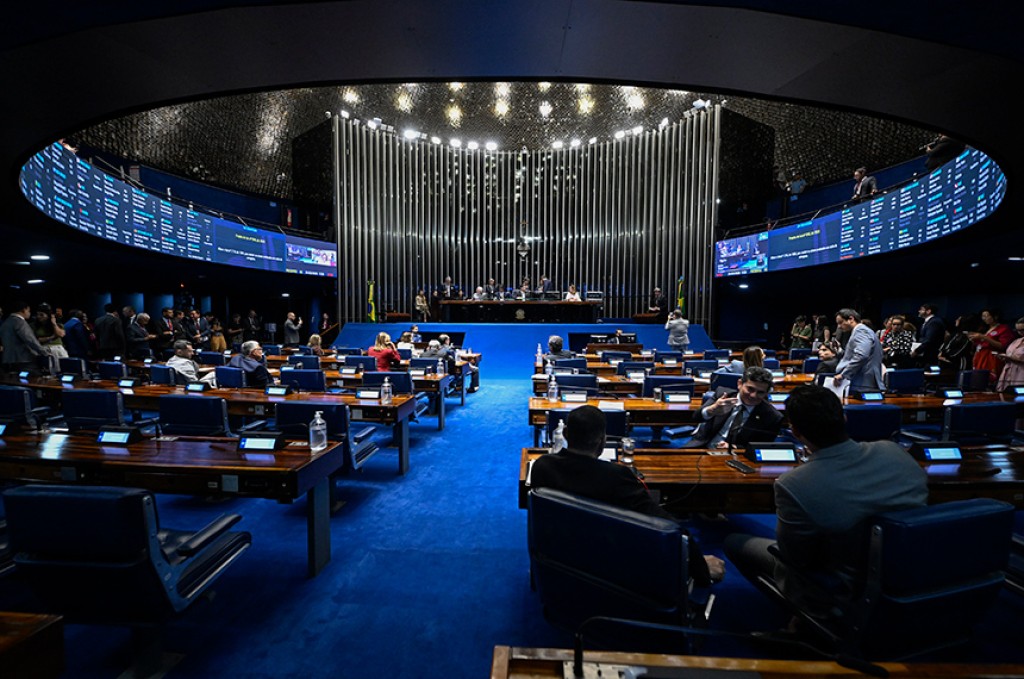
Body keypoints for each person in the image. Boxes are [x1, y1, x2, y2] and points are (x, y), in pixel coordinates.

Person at [724, 385, 927, 626]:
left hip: (843, 588)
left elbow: (794, 557)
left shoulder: (794, 484)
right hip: (911, 572)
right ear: (844, 418)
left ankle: (806, 619)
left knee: (734, 542)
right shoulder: (894, 452)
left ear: (795, 431)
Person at [530, 405, 724, 587]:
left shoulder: (542, 466)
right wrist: (699, 565)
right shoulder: (617, 476)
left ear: (565, 434)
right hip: (607, 559)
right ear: (602, 440)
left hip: (559, 554)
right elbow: (667, 525)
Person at [685, 366, 783, 449]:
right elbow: (696, 417)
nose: (753, 395)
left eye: (760, 392)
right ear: (740, 384)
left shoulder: (772, 417)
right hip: (703, 447)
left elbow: (761, 447)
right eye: (750, 389)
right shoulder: (722, 394)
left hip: (738, 456)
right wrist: (712, 410)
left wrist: (734, 447)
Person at [833, 308, 883, 390]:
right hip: (863, 379)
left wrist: (843, 374)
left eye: (840, 322)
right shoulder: (861, 331)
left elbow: (861, 355)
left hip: (863, 381)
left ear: (851, 319)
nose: (839, 326)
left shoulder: (861, 331)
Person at [969, 309, 1016, 383]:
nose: (984, 318)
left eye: (987, 316)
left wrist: (984, 337)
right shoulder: (984, 329)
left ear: (995, 316)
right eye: (983, 316)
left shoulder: (1003, 329)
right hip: (980, 357)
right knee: (978, 381)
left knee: (989, 381)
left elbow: (1002, 346)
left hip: (992, 359)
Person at [0, 301, 46, 375]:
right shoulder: (20, 322)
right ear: (24, 310)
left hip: (8, 360)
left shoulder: (5, 323)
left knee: (15, 380)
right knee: (34, 378)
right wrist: (44, 352)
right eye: (29, 311)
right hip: (24, 360)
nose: (29, 313)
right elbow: (30, 340)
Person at [31, 303, 68, 373]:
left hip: (57, 349)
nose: (39, 317)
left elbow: (61, 334)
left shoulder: (58, 324)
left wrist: (54, 323)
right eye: (38, 314)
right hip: (44, 350)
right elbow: (36, 340)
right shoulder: (34, 325)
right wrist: (51, 337)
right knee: (48, 371)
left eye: (41, 315)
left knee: (63, 370)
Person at [995, 317, 1024, 392]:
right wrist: (1004, 357)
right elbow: (1009, 355)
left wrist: (1011, 358)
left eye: (1023, 330)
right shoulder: (1016, 341)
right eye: (1018, 330)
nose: (1020, 333)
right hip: (1009, 373)